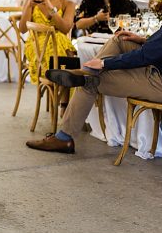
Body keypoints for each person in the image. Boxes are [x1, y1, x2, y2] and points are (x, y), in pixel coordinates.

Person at [26, 25, 162, 154]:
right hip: (155, 66)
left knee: (89, 83)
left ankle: (64, 138)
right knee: (119, 39)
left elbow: (143, 56)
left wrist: (104, 63)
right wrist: (145, 40)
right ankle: (84, 72)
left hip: (158, 82)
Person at [19, 0, 76, 84]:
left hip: (60, 44)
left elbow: (65, 28)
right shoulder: (30, 2)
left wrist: (50, 7)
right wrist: (28, 5)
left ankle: (63, 101)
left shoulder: (68, 4)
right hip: (36, 44)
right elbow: (22, 29)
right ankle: (59, 89)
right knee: (61, 54)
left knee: (61, 44)